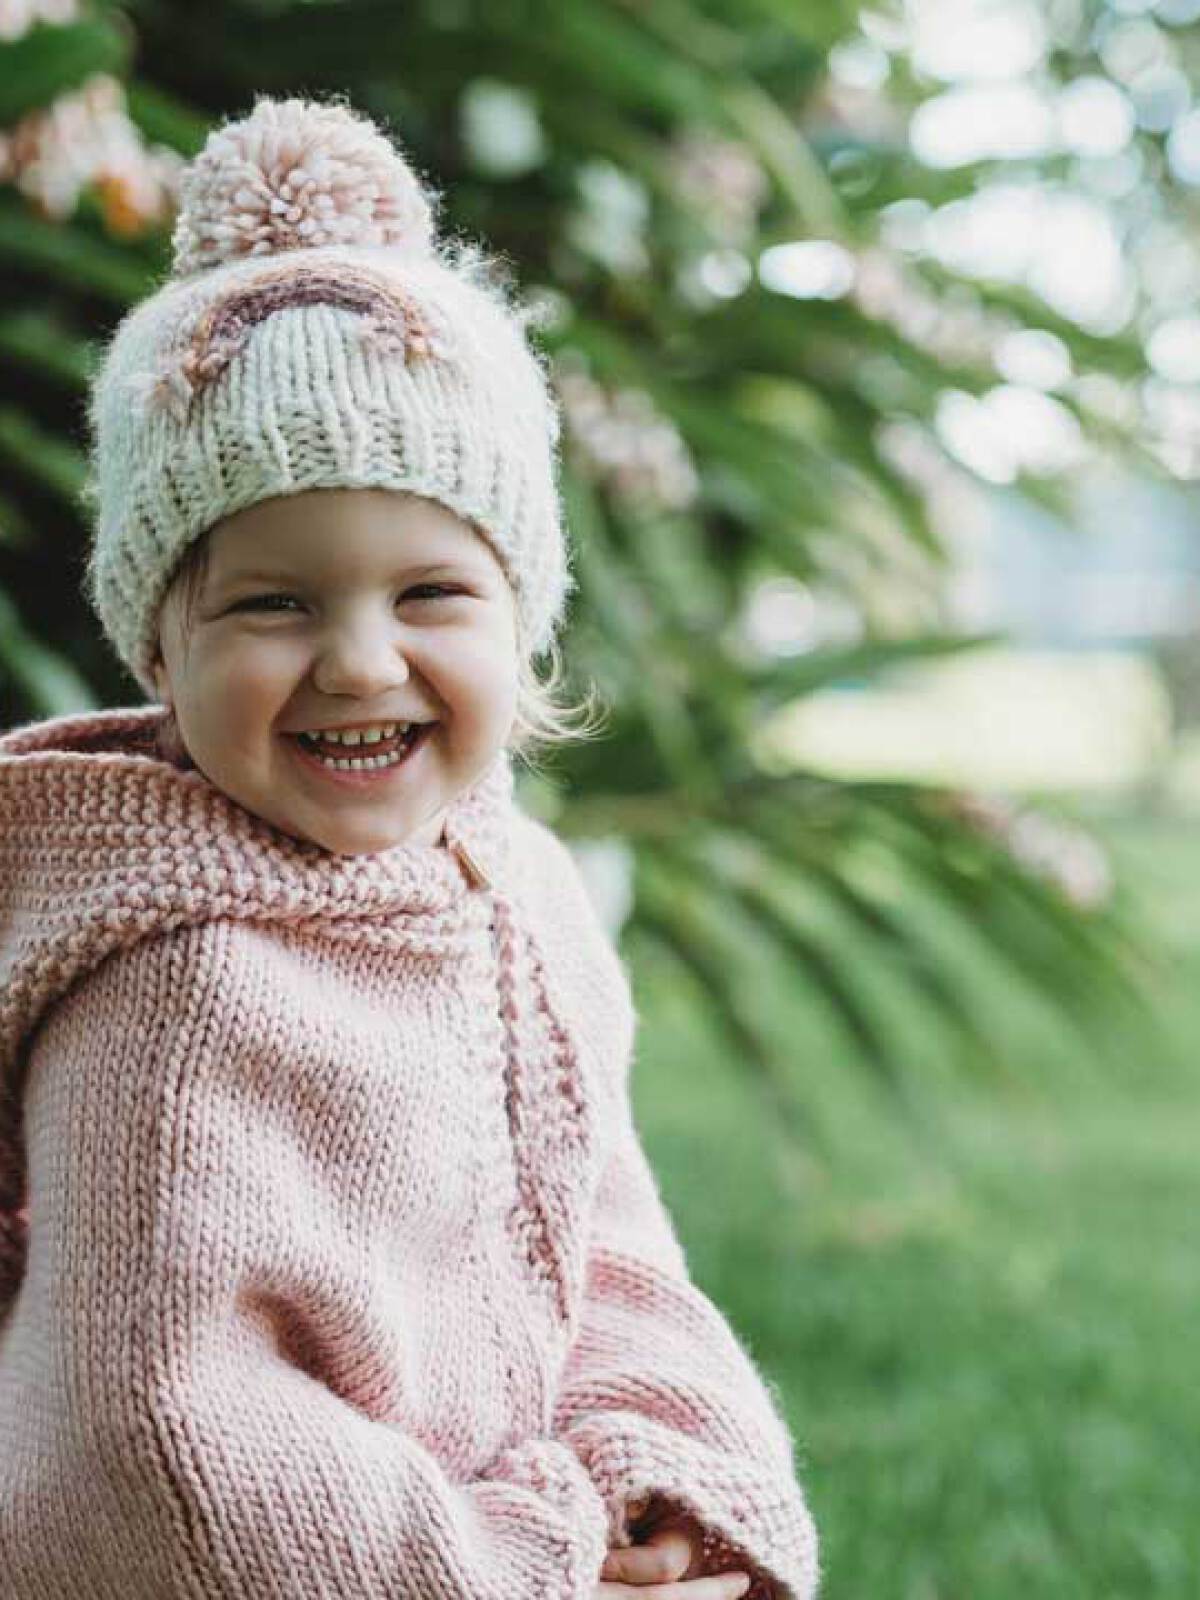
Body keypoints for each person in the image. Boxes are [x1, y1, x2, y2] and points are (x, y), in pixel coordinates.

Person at [0, 95, 819, 1599]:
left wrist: (666, 1479)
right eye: (273, 604)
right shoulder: (183, 997)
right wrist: (536, 1559)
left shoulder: (517, 894)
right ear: (160, 655)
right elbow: (159, 1450)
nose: (362, 663)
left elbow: (603, 1250)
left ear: (524, 617)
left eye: (432, 592)